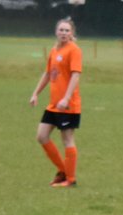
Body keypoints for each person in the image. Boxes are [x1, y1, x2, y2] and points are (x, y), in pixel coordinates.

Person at [29, 17, 82, 188]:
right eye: (61, 30)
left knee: (67, 139)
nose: (64, 33)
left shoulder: (74, 50)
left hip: (67, 105)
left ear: (72, 33)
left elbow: (75, 75)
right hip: (53, 105)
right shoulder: (54, 51)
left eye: (67, 30)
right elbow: (47, 74)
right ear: (56, 31)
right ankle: (63, 171)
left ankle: (70, 179)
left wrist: (66, 98)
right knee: (42, 136)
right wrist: (36, 93)